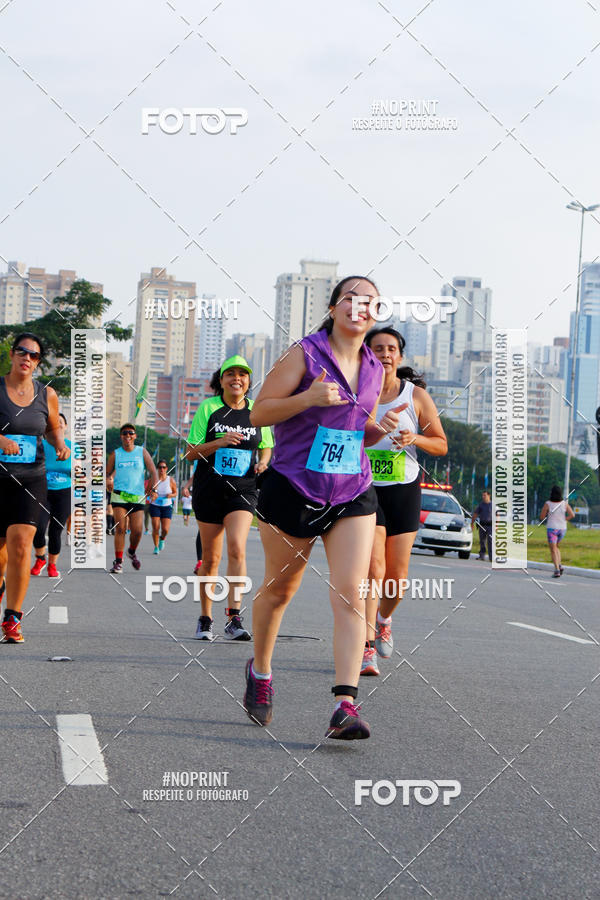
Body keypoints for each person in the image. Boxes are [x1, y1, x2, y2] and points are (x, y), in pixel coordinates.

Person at [245, 276, 402, 740]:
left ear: (377, 312)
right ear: (334, 308)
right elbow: (258, 413)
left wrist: (383, 430)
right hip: (293, 486)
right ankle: (261, 671)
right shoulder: (304, 353)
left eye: (369, 302)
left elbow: (356, 432)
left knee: (353, 593)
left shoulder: (375, 367)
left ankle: (344, 704)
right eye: (350, 299)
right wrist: (309, 397)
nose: (359, 307)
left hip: (352, 490)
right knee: (280, 592)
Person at [362, 327, 447, 675]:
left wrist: (416, 438)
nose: (384, 354)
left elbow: (440, 444)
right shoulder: (358, 393)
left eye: (391, 348)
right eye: (378, 348)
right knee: (374, 569)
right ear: (367, 355)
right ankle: (365, 647)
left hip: (405, 489)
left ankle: (384, 618)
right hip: (365, 489)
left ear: (400, 356)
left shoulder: (416, 397)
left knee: (397, 578)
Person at [185, 356, 273, 641]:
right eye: (231, 374)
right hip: (209, 489)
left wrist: (263, 462)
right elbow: (191, 452)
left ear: (248, 381)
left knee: (237, 548)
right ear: (221, 380)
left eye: (243, 375)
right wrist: (219, 442)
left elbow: (267, 446)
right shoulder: (209, 408)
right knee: (211, 558)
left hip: (244, 490)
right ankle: (205, 618)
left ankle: (234, 617)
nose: (237, 379)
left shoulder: (258, 411)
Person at [0, 333, 70, 643]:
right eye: (22, 352)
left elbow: (53, 429)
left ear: (38, 363)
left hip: (31, 479)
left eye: (34, 355)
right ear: (12, 355)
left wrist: (60, 446)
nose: (27, 358)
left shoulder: (47, 395)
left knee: (20, 544)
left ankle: (12, 618)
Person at [106, 423, 158, 574]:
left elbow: (153, 471)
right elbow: (107, 473)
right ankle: (118, 561)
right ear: (121, 436)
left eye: (130, 433)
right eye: (124, 433)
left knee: (137, 531)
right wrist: (108, 480)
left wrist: (153, 489)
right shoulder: (116, 454)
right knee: (121, 528)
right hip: (119, 495)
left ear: (135, 436)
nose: (127, 436)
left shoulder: (141, 452)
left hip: (137, 497)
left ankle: (131, 551)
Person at [31, 412, 72, 578]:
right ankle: (40, 558)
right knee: (38, 528)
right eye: (54, 423)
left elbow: (82, 472)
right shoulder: (39, 445)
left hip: (64, 493)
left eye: (60, 422)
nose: (58, 425)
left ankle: (52, 565)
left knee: (56, 531)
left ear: (65, 426)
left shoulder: (72, 447)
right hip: (42, 491)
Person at [540, 485, 574, 577]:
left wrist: (548, 516)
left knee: (553, 550)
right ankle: (559, 565)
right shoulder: (564, 503)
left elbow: (542, 517)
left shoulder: (548, 504)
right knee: (556, 547)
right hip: (562, 529)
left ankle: (557, 570)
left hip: (552, 528)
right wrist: (564, 519)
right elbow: (572, 515)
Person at [149, 460, 177, 554]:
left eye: (164, 467)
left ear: (166, 469)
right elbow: (146, 491)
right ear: (157, 469)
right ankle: (156, 547)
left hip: (166, 506)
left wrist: (170, 495)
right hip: (155, 505)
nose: (162, 469)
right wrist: (152, 494)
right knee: (156, 527)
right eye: (160, 467)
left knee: (165, 529)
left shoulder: (171, 480)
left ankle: (162, 538)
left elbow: (175, 493)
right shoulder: (153, 479)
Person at [182, 472, 202, 572]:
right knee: (203, 530)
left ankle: (209, 562)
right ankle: (200, 561)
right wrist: (186, 486)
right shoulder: (205, 458)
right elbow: (198, 472)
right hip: (205, 495)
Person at [471, 490, 493, 561]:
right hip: (482, 525)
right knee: (482, 541)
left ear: (489, 496)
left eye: (485, 495)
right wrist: (472, 523)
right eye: (482, 495)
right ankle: (482, 556)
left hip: (490, 526)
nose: (483, 497)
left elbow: (497, 515)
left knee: (490, 541)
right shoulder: (481, 505)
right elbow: (475, 514)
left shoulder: (492, 505)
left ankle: (491, 557)